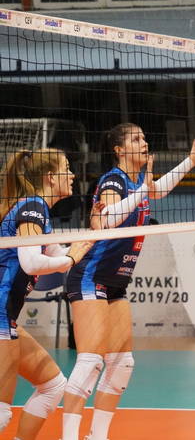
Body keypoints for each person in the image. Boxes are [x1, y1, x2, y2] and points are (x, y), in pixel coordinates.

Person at [61, 123, 195, 440]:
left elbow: (157, 190)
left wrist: (189, 163)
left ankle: (98, 435)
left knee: (123, 363)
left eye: (144, 137)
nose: (144, 142)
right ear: (119, 149)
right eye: (136, 139)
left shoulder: (140, 182)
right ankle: (68, 436)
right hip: (90, 276)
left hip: (116, 282)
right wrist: (142, 191)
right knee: (90, 361)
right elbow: (109, 218)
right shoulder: (113, 180)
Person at [0, 149, 98, 440]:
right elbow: (32, 263)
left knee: (53, 384)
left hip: (7, 317)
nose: (73, 175)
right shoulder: (32, 206)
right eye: (67, 168)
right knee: (1, 414)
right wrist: (71, 258)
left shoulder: (38, 210)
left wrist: (96, 231)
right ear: (50, 177)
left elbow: (61, 256)